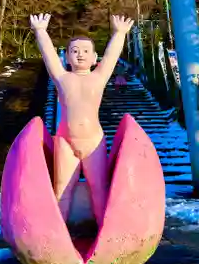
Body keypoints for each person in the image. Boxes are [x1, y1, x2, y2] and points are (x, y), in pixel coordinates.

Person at [30, 13, 134, 226]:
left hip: (93, 141)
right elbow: (49, 56)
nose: (80, 55)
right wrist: (40, 31)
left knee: (99, 188)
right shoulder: (61, 78)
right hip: (65, 141)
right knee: (61, 189)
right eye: (74, 51)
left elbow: (112, 56)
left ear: (95, 57)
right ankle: (58, 232)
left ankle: (104, 231)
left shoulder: (99, 77)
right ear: (67, 57)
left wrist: (119, 33)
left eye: (86, 51)